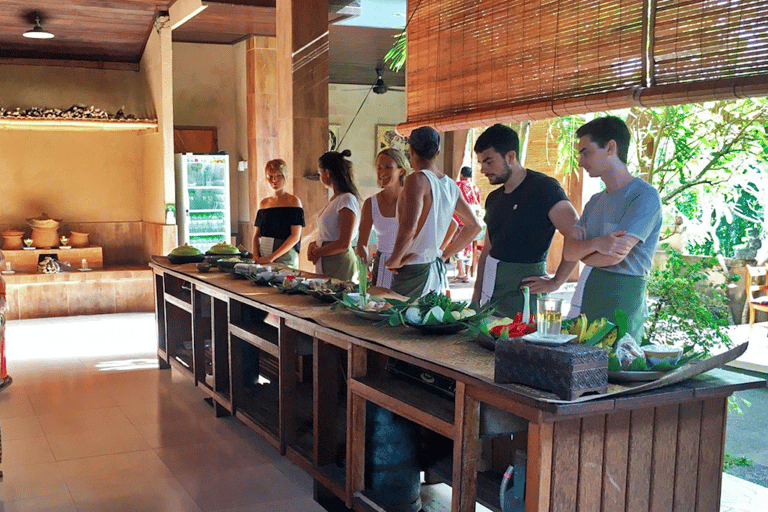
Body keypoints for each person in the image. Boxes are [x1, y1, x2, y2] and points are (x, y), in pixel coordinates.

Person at [563, 116, 662, 342]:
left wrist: (583, 252)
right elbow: (568, 251)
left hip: (624, 297)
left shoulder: (644, 196)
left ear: (610, 147)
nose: (580, 161)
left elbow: (613, 258)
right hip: (592, 292)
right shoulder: (595, 201)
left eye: (585, 152)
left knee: (616, 368)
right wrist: (598, 244)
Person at [471, 124, 579, 317]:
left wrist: (556, 282)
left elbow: (576, 234)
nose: (483, 170)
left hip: (525, 290)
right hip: (492, 288)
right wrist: (476, 294)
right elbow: (487, 249)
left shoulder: (545, 189)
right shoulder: (494, 198)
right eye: (480, 163)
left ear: (510, 157)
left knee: (520, 345)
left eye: (488, 162)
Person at [386, 126, 481, 298]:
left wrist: (394, 260)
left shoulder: (417, 179)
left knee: (404, 320)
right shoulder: (450, 185)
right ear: (438, 151)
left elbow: (409, 227)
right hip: (433, 266)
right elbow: (474, 226)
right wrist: (443, 256)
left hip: (413, 268)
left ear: (411, 149)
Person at [356, 148, 411, 289]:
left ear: (402, 171)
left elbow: (451, 225)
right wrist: (364, 268)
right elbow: (361, 243)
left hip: (407, 263)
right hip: (382, 265)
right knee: (379, 306)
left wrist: (440, 255)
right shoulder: (371, 203)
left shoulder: (412, 200)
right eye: (379, 168)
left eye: (388, 167)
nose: (382, 172)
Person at [308, 149, 361, 281]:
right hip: (326, 260)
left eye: (319, 173)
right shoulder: (336, 199)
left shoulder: (346, 199)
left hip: (339, 261)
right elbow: (329, 233)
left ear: (327, 173)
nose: (320, 177)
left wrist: (318, 252)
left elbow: (343, 242)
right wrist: (314, 244)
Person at [252, 159, 305, 268]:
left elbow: (295, 236)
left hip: (285, 257)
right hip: (264, 254)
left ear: (285, 176)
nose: (274, 180)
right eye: (270, 176)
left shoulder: (293, 201)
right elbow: (257, 234)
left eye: (278, 176)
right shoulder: (264, 203)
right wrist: (256, 255)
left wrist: (272, 257)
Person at [452, 166, 483, 283]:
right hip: (471, 222)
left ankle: (461, 274)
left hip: (459, 220)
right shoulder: (475, 188)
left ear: (461, 174)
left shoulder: (457, 185)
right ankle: (467, 273)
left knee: (458, 244)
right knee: (468, 246)